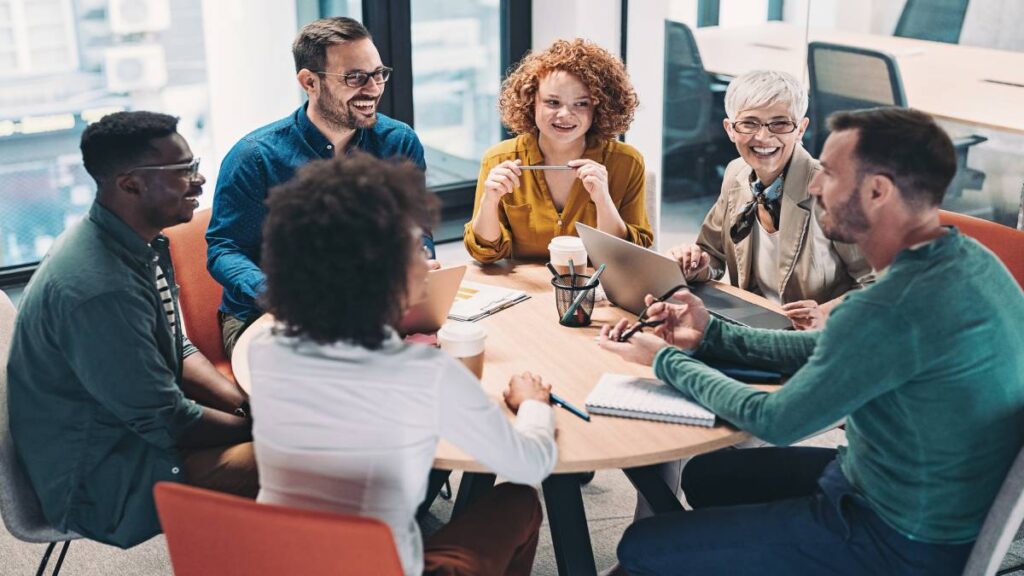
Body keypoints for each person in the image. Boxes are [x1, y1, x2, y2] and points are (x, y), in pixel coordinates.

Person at [598, 107, 1024, 575]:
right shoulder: (968, 258)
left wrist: (667, 361)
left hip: (894, 539)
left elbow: (775, 420)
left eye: (830, 173)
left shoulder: (890, 306)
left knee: (642, 546)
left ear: (878, 191)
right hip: (907, 492)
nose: (815, 185)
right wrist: (708, 335)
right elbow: (829, 348)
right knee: (709, 475)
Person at [248, 152, 558, 576]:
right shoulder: (424, 374)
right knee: (519, 500)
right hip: (380, 568)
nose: (428, 261)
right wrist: (534, 405)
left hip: (277, 562)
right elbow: (531, 463)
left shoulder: (265, 348)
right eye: (414, 247)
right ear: (379, 270)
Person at [7, 112, 257, 549]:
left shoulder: (130, 240)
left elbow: (174, 346)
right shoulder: (100, 289)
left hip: (126, 434)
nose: (199, 181)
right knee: (311, 459)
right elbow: (168, 421)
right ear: (130, 185)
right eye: (184, 171)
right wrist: (262, 428)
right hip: (101, 481)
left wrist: (243, 404)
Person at [207, 16, 435, 357]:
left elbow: (416, 226)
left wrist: (420, 259)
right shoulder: (254, 157)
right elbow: (224, 249)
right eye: (355, 77)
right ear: (309, 81)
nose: (373, 89)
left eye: (378, 74)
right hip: (265, 316)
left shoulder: (399, 141)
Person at [667, 70, 871, 330]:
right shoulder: (736, 173)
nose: (763, 137)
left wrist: (825, 314)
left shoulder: (834, 191)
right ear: (730, 129)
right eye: (749, 123)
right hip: (750, 325)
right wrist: (694, 263)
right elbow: (712, 254)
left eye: (780, 123)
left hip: (815, 338)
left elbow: (883, 283)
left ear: (800, 129)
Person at [464, 38, 652, 263]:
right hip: (524, 284)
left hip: (596, 284)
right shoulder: (498, 159)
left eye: (581, 104)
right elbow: (485, 253)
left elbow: (629, 257)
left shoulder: (627, 163)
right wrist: (489, 201)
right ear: (530, 101)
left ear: (599, 107)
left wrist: (603, 200)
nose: (565, 114)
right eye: (552, 102)